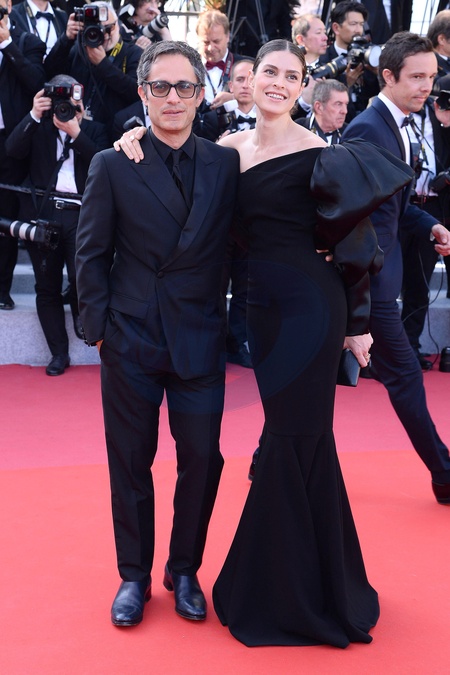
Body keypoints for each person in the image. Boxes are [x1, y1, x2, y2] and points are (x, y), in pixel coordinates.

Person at [75, 40, 239, 627]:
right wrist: (97, 330)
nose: (173, 98)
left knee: (203, 458)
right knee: (130, 461)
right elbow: (90, 252)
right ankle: (134, 575)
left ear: (199, 94)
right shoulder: (112, 163)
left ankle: (184, 568)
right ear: (143, 93)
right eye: (161, 87)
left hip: (199, 335)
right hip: (131, 336)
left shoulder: (225, 163)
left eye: (184, 86)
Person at [342, 31, 450, 505]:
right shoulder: (369, 129)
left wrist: (430, 224)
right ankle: (444, 473)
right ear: (388, 76)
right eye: (417, 77)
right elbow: (348, 215)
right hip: (367, 283)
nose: (427, 86)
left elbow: (394, 206)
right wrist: (357, 297)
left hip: (375, 279)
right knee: (405, 374)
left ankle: (265, 459)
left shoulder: (397, 125)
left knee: (315, 376)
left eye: (431, 76)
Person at [6, 75, 108, 375]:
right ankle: (59, 353)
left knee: (82, 276)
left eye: (70, 101)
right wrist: (34, 114)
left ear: (81, 102)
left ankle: (80, 314)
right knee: (46, 285)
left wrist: (77, 132)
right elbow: (12, 150)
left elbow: (104, 164)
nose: (64, 107)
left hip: (82, 214)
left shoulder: (94, 130)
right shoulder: (38, 128)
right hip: (44, 213)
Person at [0, 0, 46, 311]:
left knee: (5, 217)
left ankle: (2, 288)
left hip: (10, 143)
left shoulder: (28, 42)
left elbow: (36, 83)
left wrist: (6, 44)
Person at [43, 1, 142, 142]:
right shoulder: (78, 51)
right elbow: (49, 73)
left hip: (115, 134)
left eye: (108, 28)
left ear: (118, 25)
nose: (104, 35)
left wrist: (103, 65)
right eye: (96, 29)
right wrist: (66, 39)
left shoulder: (133, 53)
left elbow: (136, 93)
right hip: (78, 129)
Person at [320, 1, 379, 120]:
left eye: (361, 24)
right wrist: (345, 83)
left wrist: (379, 75)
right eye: (353, 24)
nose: (358, 30)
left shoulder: (369, 55)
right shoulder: (324, 59)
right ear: (336, 28)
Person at [296, 79, 349, 144]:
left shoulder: (351, 134)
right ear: (318, 107)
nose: (345, 111)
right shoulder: (296, 129)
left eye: (346, 104)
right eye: (338, 104)